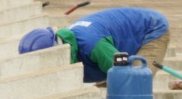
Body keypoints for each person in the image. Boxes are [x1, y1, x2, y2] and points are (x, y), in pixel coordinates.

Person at [18, 6, 171, 83]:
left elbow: (122, 70)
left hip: (151, 28)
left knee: (134, 81)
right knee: (109, 81)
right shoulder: (70, 40)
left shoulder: (94, 45)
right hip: (121, 32)